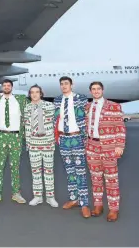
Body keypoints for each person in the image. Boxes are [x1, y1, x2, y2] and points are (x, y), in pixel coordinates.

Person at [86, 81, 126, 222]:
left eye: (98, 89)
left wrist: (119, 146)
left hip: (109, 148)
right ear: (91, 91)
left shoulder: (114, 106)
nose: (96, 91)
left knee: (111, 180)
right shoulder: (88, 107)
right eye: (93, 89)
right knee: (95, 178)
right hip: (92, 147)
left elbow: (120, 128)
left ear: (102, 90)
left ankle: (113, 209)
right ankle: (98, 206)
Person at [54, 76, 91, 218]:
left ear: (71, 84)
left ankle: (84, 203)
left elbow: (86, 116)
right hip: (63, 138)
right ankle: (73, 199)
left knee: (80, 171)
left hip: (77, 138)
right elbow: (55, 119)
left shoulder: (81, 98)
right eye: (62, 84)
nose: (64, 86)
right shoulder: (57, 100)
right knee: (69, 171)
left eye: (66, 84)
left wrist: (86, 137)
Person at [0, 79, 28, 204]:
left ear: (12, 87)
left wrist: (24, 135)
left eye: (8, 85)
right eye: (4, 85)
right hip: (0, 136)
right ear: (1, 87)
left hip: (15, 137)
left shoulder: (20, 100)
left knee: (15, 166)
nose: (6, 87)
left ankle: (16, 193)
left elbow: (27, 115)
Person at [24, 85, 58, 207]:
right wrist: (28, 144)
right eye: (32, 92)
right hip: (33, 143)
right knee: (35, 172)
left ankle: (50, 197)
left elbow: (55, 121)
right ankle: (37, 196)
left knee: (49, 172)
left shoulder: (50, 106)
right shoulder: (27, 108)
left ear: (41, 93)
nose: (34, 94)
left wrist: (53, 142)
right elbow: (27, 126)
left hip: (47, 143)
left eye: (37, 92)